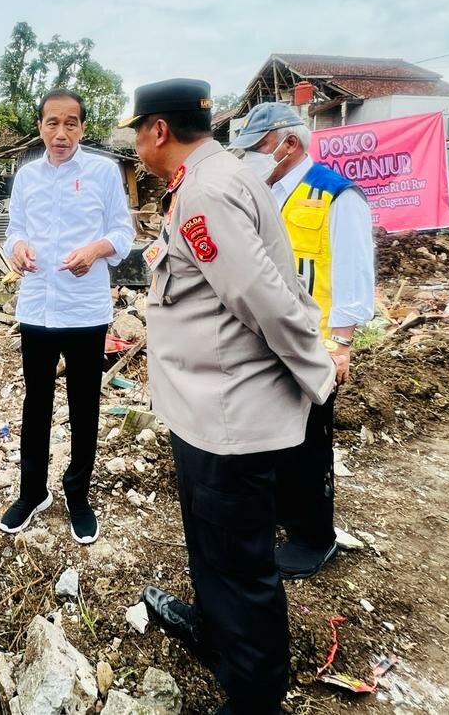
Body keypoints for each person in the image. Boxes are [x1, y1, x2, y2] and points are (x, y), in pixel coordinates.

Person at [127, 79, 336, 715]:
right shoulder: (209, 179)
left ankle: (255, 692)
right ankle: (218, 632)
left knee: (239, 561)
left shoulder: (206, 192)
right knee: (212, 545)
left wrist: (317, 375)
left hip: (229, 413)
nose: (134, 146)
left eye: (136, 132)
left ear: (159, 130)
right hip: (204, 407)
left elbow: (263, 299)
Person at [232, 102, 374, 579]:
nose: (251, 160)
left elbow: (353, 272)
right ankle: (284, 514)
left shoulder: (336, 195)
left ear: (289, 144)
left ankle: (315, 537)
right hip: (272, 336)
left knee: (311, 443)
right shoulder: (266, 195)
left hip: (315, 341)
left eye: (258, 148)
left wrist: (341, 344)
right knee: (276, 437)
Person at [0, 88, 134, 545]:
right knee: (35, 403)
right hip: (38, 306)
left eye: (71, 123)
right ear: (40, 126)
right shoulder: (27, 176)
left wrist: (96, 249)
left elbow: (123, 233)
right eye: (52, 123)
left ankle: (78, 494)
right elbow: (14, 229)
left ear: (82, 128)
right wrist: (18, 247)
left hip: (85, 310)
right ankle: (32, 492)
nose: (61, 133)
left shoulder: (103, 172)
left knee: (84, 404)